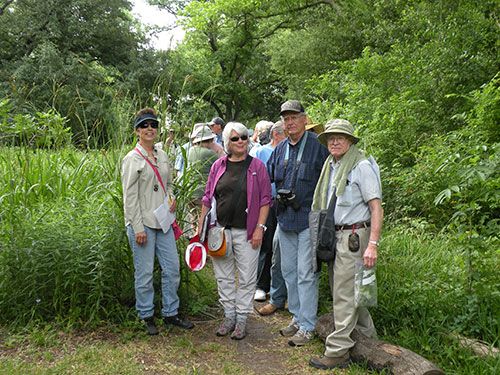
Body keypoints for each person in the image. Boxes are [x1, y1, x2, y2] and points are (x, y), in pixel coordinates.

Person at [309, 119, 383, 370]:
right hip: (335, 235)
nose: (335, 141)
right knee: (354, 290)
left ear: (350, 141)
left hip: (354, 237)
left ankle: (338, 351)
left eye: (341, 137)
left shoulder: (361, 166)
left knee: (343, 293)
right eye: (331, 138)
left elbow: (376, 207)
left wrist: (372, 244)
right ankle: (369, 339)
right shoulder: (331, 166)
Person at [121, 107, 194, 335]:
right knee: (143, 273)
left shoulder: (162, 156)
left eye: (153, 125)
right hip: (142, 224)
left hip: (162, 222)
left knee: (172, 269)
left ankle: (171, 312)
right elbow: (129, 197)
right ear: (137, 131)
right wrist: (138, 227)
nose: (149, 129)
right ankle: (146, 315)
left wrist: (171, 198)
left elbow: (169, 184)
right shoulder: (132, 159)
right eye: (144, 125)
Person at [197, 122, 272, 340]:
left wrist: (260, 228)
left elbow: (266, 200)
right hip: (220, 231)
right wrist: (202, 224)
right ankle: (228, 316)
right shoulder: (218, 166)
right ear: (227, 142)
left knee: (247, 278)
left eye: (244, 137)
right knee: (224, 277)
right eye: (235, 138)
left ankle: (241, 319)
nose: (240, 141)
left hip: (247, 233)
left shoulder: (257, 167)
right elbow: (207, 196)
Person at [267, 100, 329, 346]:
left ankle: (308, 325)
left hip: (308, 220)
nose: (290, 122)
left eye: (294, 117)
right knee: (289, 271)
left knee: (306, 273)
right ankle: (297, 315)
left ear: (305, 119)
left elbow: (329, 180)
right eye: (286, 118)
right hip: (284, 219)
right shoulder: (280, 149)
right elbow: (267, 176)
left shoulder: (317, 146)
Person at [253, 121, 287, 305]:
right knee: (266, 245)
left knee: (280, 246)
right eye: (285, 134)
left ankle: (280, 288)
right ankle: (261, 285)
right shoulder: (260, 152)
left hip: (284, 205)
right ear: (276, 135)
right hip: (266, 204)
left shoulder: (288, 151)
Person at [185, 124, 219, 237]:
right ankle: (201, 245)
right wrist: (217, 149)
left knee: (194, 219)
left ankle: (194, 243)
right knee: (204, 222)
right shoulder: (209, 153)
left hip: (191, 192)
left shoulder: (191, 150)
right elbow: (223, 162)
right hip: (202, 193)